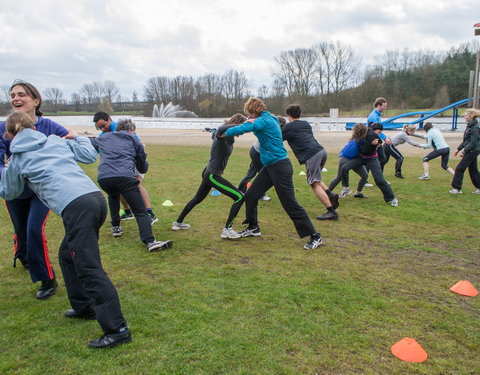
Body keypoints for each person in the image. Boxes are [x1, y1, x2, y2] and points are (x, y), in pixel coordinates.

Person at [0, 111, 130, 349]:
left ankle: (117, 330)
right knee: (66, 255)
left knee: (88, 267)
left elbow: (8, 192)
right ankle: (84, 307)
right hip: (93, 199)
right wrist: (76, 136)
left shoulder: (17, 159)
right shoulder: (54, 141)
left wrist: (6, 168)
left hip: (77, 207)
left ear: (9, 135)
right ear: (35, 129)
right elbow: (90, 154)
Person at [220, 97, 323, 250]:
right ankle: (253, 227)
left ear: (253, 111)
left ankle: (315, 236)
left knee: (290, 204)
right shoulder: (271, 117)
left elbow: (243, 129)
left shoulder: (262, 121)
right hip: (270, 166)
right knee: (251, 196)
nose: (248, 116)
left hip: (280, 167)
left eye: (248, 113)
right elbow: (252, 124)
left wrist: (223, 132)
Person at [0, 80, 70, 300]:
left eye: (22, 94)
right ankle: (22, 252)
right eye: (12, 95)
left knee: (33, 229)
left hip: (41, 189)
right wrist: (7, 172)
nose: (16, 98)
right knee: (22, 232)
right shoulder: (4, 127)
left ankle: (47, 279)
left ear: (36, 100)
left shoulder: (48, 126)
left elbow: (69, 139)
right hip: (14, 190)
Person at [90, 119, 172, 252]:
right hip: (124, 177)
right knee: (140, 211)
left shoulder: (105, 137)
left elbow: (90, 143)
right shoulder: (134, 141)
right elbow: (142, 166)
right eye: (134, 132)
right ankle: (150, 241)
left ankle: (116, 227)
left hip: (104, 178)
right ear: (130, 130)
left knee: (113, 195)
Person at [172, 114, 247, 239]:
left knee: (197, 198)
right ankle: (227, 230)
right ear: (237, 125)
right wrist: (243, 125)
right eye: (242, 129)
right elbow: (220, 129)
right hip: (212, 175)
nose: (243, 132)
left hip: (210, 172)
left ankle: (178, 223)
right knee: (239, 197)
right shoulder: (222, 135)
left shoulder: (229, 137)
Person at [93, 112, 158, 224]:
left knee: (136, 185)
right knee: (119, 186)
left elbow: (138, 143)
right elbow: (98, 147)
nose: (103, 129)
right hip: (121, 164)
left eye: (104, 125)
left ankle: (149, 213)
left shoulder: (122, 128)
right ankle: (128, 212)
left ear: (109, 120)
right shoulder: (104, 135)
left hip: (135, 159)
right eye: (100, 128)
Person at [282, 104, 339, 220]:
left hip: (311, 155)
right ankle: (330, 194)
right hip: (321, 151)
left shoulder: (288, 127)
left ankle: (332, 212)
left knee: (314, 184)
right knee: (316, 179)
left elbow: (277, 138)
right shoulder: (306, 124)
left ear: (288, 115)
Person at [340, 123, 398, 206]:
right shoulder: (359, 136)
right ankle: (346, 188)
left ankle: (392, 198)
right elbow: (363, 150)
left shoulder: (372, 135)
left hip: (372, 158)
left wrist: (382, 158)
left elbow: (379, 144)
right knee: (344, 168)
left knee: (379, 179)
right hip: (362, 157)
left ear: (363, 131)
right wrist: (371, 144)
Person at [329, 123, 369, 199]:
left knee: (365, 175)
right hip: (344, 159)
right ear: (363, 131)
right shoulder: (359, 140)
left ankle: (358, 193)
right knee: (339, 177)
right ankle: (327, 193)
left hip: (354, 159)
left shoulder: (357, 138)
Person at [449, 108, 480, 194]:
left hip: (473, 151)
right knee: (473, 170)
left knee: (459, 168)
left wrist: (464, 151)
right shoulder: (469, 125)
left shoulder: (475, 127)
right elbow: (466, 141)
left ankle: (456, 188)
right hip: (471, 150)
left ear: (471, 116)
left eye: (466, 115)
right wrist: (458, 149)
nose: (465, 117)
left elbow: (473, 142)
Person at [365, 97, 391, 186]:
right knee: (374, 160)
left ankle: (380, 180)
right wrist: (385, 138)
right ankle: (365, 180)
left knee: (381, 159)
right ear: (378, 105)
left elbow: (379, 130)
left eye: (385, 106)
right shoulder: (373, 116)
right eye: (384, 106)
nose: (385, 108)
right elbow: (374, 131)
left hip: (377, 141)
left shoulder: (378, 115)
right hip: (373, 141)